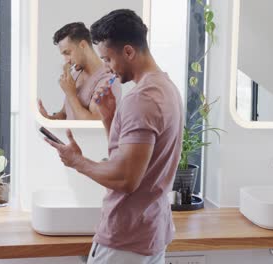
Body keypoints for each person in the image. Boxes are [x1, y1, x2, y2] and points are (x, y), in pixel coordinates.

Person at [45, 9, 183, 263]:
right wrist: (110, 120)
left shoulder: (141, 99)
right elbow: (136, 164)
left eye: (107, 59)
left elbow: (126, 178)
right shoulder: (167, 88)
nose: (107, 68)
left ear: (129, 51)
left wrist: (77, 162)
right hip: (151, 233)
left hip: (126, 242)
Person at [37, 22, 121, 120]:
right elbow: (65, 114)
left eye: (67, 53)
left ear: (83, 45)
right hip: (66, 135)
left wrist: (71, 94)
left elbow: (93, 124)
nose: (66, 60)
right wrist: (48, 119)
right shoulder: (75, 74)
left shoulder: (108, 81)